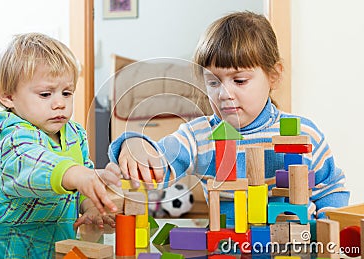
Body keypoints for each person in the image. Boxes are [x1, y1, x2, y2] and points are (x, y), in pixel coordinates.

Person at [108, 11, 349, 221]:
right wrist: (132, 143)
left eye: (239, 80)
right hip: (226, 245)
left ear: (273, 76)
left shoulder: (304, 133)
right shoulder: (199, 136)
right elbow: (159, 161)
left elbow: (330, 190)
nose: (224, 93)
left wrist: (326, 230)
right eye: (213, 82)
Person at [0, 33, 122, 238]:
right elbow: (34, 165)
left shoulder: (75, 134)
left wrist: (91, 206)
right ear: (8, 96)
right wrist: (77, 174)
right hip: (1, 241)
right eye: (46, 94)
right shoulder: (10, 136)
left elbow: (82, 187)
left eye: (67, 93)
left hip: (51, 238)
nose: (60, 103)